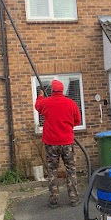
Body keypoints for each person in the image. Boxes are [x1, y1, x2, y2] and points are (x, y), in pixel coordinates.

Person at [35, 79, 81, 208]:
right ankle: (74, 198)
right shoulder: (71, 103)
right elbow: (77, 120)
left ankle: (54, 200)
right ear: (62, 90)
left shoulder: (46, 103)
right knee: (71, 170)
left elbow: (37, 106)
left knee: (52, 171)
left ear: (52, 90)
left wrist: (40, 95)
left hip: (51, 144)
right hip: (67, 143)